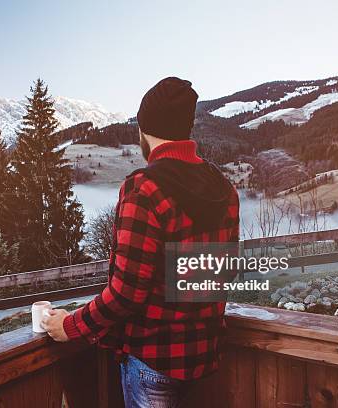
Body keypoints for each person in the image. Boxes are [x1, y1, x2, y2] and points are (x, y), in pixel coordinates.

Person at [41, 77, 240, 408]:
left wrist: (70, 326)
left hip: (154, 361)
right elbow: (222, 273)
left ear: (144, 129)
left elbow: (126, 293)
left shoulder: (144, 189)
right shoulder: (224, 188)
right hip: (204, 357)